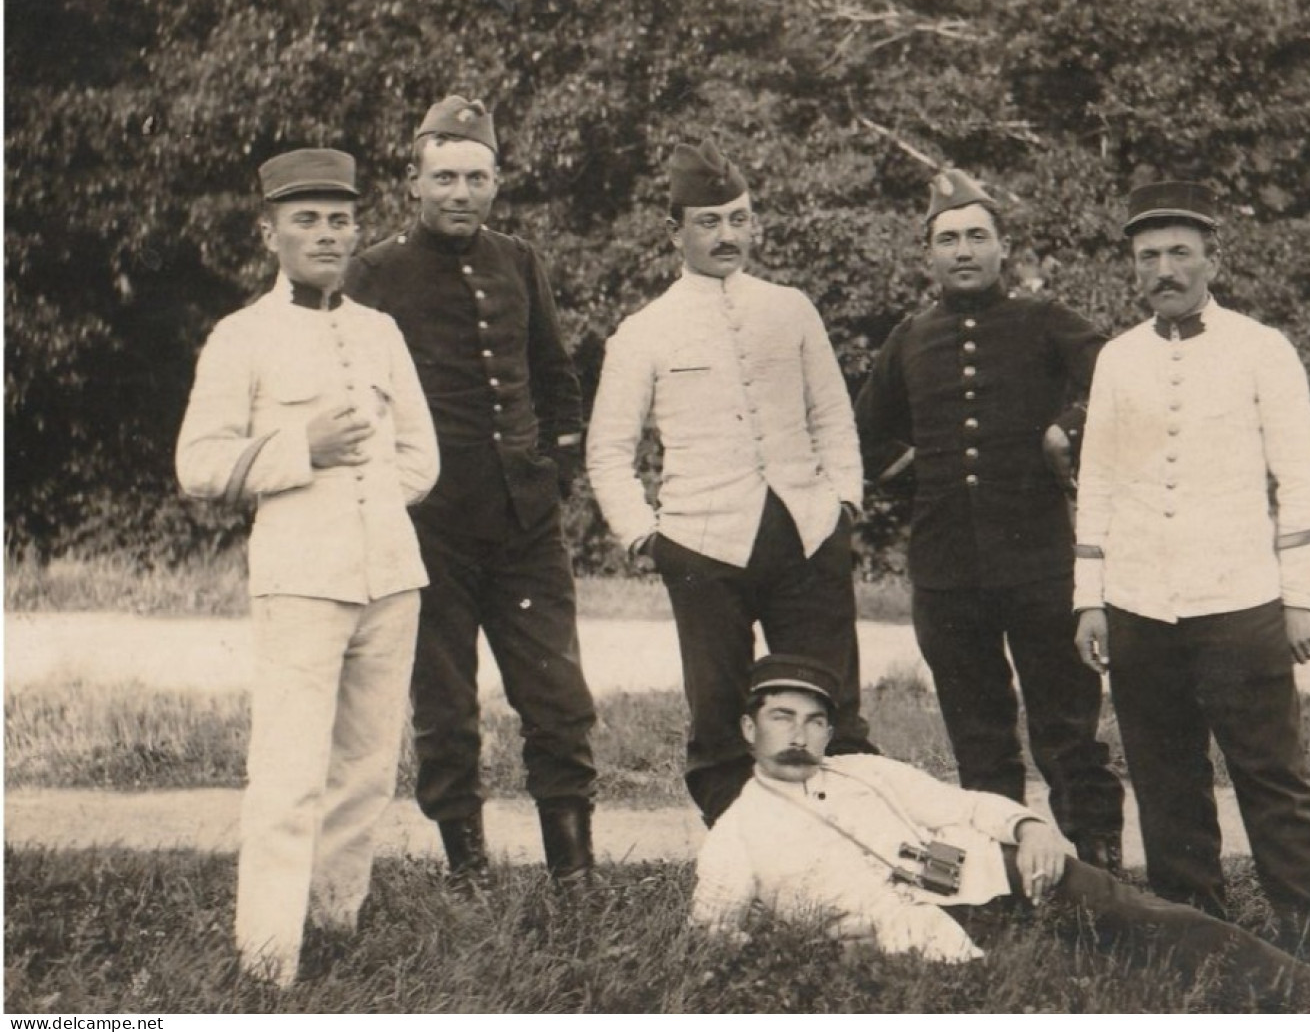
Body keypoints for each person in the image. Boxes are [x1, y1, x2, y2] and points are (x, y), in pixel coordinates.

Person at [1071, 181, 1310, 1005]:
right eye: (1148, 256)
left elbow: (1308, 485)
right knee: (1168, 787)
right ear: (1131, 268)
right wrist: (1089, 596)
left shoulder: (1261, 349)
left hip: (1240, 606)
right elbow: (1095, 483)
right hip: (1139, 608)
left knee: (1272, 785)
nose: (1164, 269)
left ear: (1212, 258)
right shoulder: (1115, 358)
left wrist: (1297, 597)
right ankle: (1197, 959)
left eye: (1179, 252)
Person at [689, 656, 1310, 1012]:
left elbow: (962, 801)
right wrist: (820, 945)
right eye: (781, 717)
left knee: (1157, 921)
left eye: (813, 720)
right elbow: (713, 941)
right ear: (749, 729)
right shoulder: (737, 833)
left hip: (997, 872)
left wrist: (1030, 826)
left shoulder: (863, 770)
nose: (799, 734)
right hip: (922, 934)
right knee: (1102, 984)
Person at [176, 148, 438, 985]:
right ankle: (267, 960)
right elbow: (200, 466)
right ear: (270, 233)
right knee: (288, 772)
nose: (327, 235)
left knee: (365, 770)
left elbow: (419, 457)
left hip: (390, 576)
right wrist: (303, 451)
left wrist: (367, 508)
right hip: (299, 580)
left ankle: (333, 927)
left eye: (339, 220)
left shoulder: (380, 331)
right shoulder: (240, 337)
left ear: (357, 229)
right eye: (307, 221)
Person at [586, 140, 878, 826]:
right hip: (701, 545)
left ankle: (849, 844)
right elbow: (608, 450)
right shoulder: (643, 331)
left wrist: (841, 505)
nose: (727, 235)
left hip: (806, 533)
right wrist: (646, 538)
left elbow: (833, 417)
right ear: (675, 231)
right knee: (718, 717)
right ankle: (740, 853)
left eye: (739, 219)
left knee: (831, 703)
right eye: (710, 221)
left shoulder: (791, 309)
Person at [346, 96, 597, 885]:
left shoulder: (518, 259)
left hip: (525, 523)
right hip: (430, 527)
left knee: (558, 695)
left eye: (477, 177)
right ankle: (469, 871)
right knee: (445, 707)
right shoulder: (375, 272)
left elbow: (555, 375)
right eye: (445, 177)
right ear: (413, 183)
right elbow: (353, 392)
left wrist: (554, 472)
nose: (462, 193)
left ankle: (575, 875)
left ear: (497, 182)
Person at [854, 169, 1124, 869]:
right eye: (948, 240)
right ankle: (998, 872)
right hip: (946, 572)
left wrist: (1067, 428)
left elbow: (1118, 373)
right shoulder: (910, 339)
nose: (963, 250)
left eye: (977, 236)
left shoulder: (1042, 320)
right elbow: (863, 435)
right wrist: (921, 475)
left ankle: (1095, 870)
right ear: (927, 258)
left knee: (1066, 728)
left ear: (1004, 249)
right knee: (978, 736)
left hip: (1039, 562)